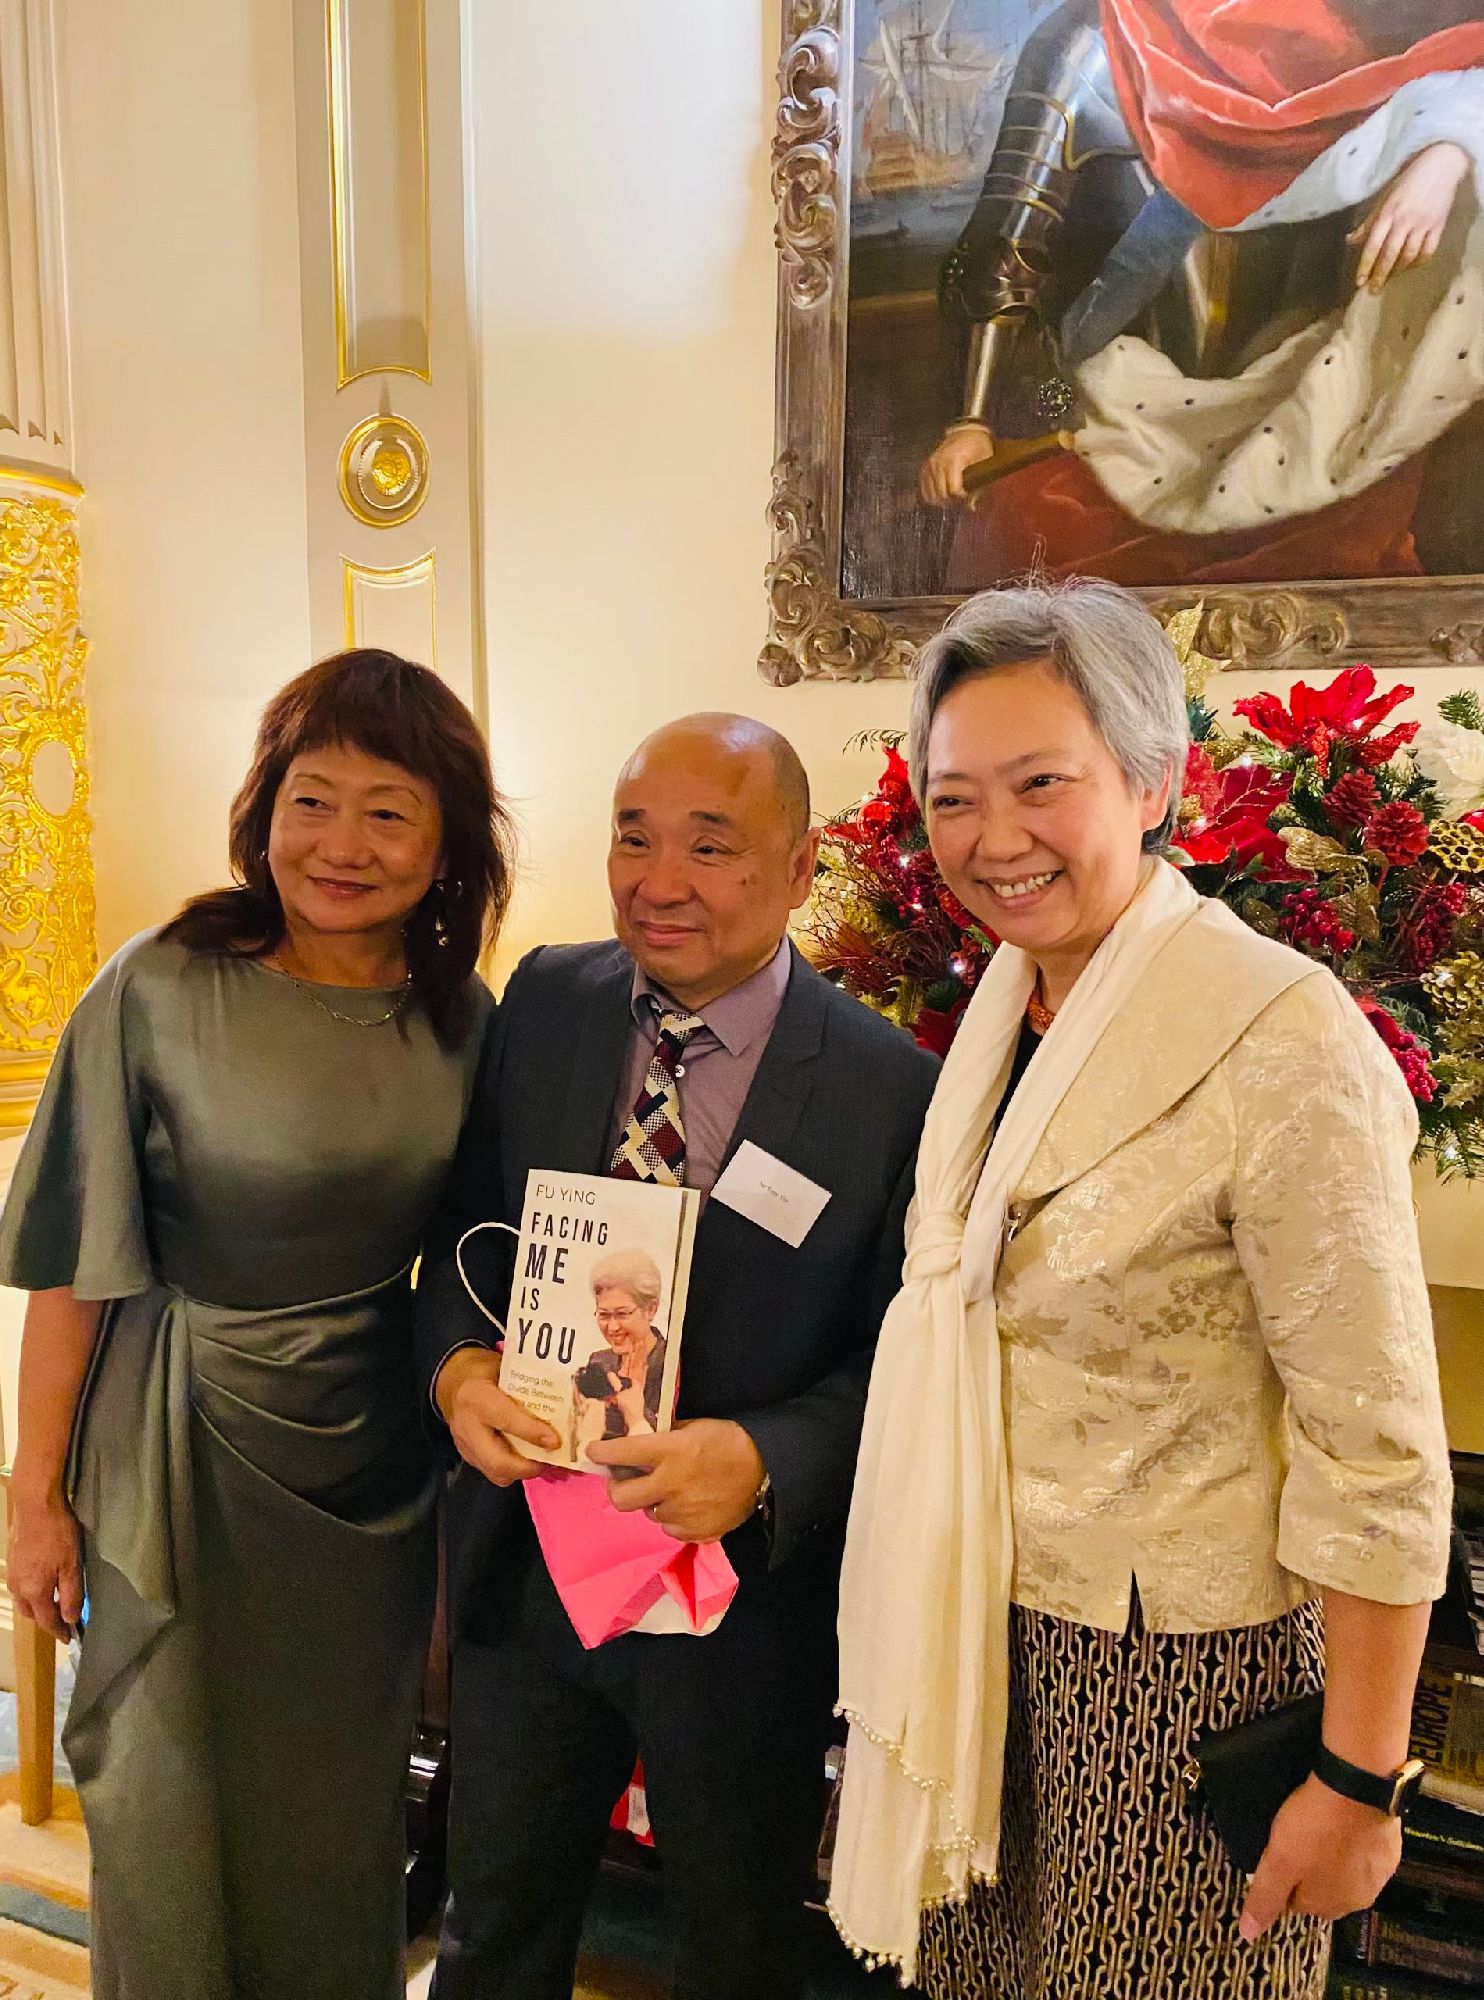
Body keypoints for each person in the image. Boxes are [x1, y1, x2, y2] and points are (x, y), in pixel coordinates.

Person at [829, 578, 1454, 1999]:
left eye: (1040, 784)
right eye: (952, 798)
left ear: (1153, 782)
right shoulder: (1006, 1015)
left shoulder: (1277, 1034)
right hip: (979, 1639)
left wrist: (1361, 1780)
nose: (994, 838)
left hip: (1173, 1682)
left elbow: (1376, 1446)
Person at [0, 650, 514, 2000]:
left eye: (388, 811)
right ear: (263, 809)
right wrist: (34, 1494)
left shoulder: (466, 1022)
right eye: (311, 800)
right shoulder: (159, 984)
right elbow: (75, 1269)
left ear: (446, 840)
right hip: (172, 1445)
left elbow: (476, 1261)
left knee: (333, 1812)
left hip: (367, 1472)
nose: (342, 844)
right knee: (163, 1795)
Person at [417, 712, 938, 2000]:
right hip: (529, 1562)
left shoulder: (889, 1086)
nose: (660, 881)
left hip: (738, 1606)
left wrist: (764, 1457)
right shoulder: (546, 999)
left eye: (710, 845)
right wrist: (457, 1371)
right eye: (633, 837)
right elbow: (459, 1234)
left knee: (737, 1948)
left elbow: (905, 1364)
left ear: (800, 865)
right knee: (493, 1928)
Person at [918, 0, 1484, 589]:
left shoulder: (1374, 41)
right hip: (1105, 423)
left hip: (1304, 420)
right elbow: (1004, 249)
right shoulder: (1088, 42)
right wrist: (971, 420)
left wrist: (1448, 153)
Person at [574, 1248, 669, 1446]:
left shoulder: (671, 1364)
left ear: (650, 1309)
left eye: (622, 1314)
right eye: (604, 1315)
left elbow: (670, 1439)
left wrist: (633, 1406)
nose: (613, 1327)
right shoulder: (599, 1361)